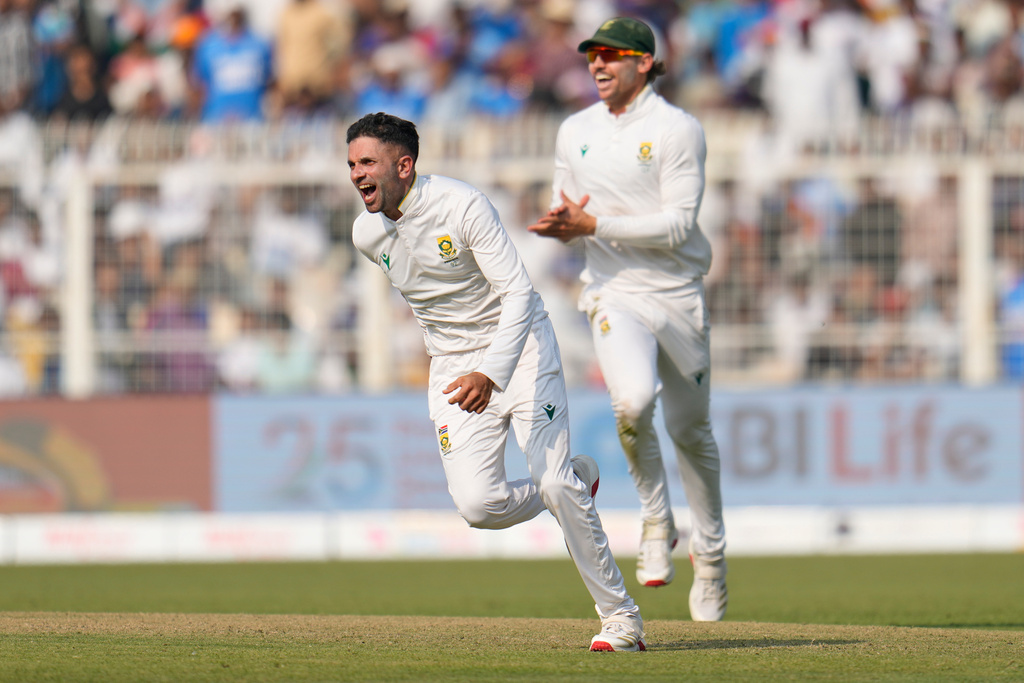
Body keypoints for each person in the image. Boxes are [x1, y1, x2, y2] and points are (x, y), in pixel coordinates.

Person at [347, 112, 645, 652]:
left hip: (521, 351)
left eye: (367, 162)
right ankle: (577, 479)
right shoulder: (367, 233)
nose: (356, 174)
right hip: (455, 369)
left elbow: (518, 294)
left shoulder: (462, 205)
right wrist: (465, 366)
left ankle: (620, 617)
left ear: (404, 165)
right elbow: (434, 303)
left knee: (552, 483)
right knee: (479, 507)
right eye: (351, 164)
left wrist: (492, 371)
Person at [527, 17, 728, 622]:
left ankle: (712, 559)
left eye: (612, 55)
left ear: (645, 62)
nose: (597, 65)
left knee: (691, 433)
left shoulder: (676, 130)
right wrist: (564, 226)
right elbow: (572, 210)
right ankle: (654, 517)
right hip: (614, 291)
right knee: (633, 402)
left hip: (677, 293)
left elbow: (677, 226)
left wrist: (592, 228)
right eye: (592, 56)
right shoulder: (575, 130)